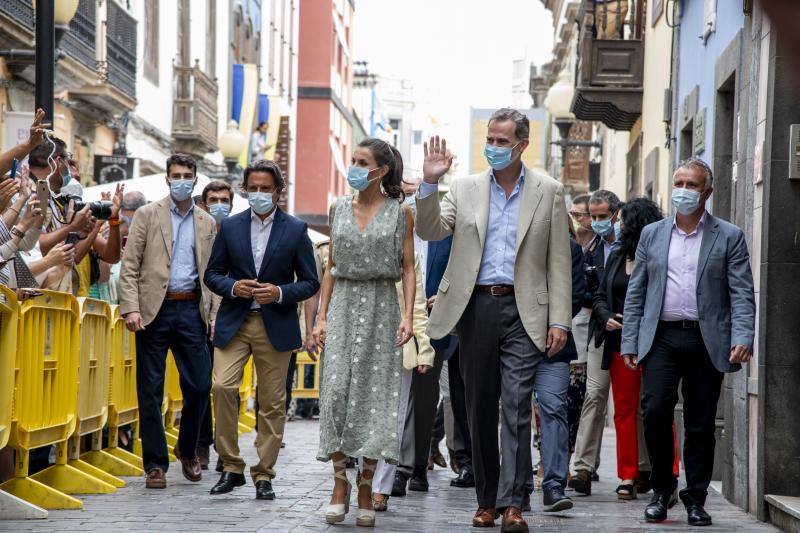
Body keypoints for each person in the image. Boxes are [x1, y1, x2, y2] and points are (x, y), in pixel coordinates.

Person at [415, 107, 573, 531]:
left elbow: (559, 261)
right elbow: (430, 230)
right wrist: (429, 182)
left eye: (503, 141)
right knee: (478, 406)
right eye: (490, 139)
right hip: (475, 308)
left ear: (522, 144)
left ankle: (514, 503)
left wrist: (560, 320)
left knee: (517, 405)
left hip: (526, 311)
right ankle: (486, 500)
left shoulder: (549, 191)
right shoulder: (463, 188)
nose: (494, 148)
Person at [621, 158, 755, 526]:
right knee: (656, 410)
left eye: (692, 184)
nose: (683, 190)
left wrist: (743, 335)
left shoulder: (728, 236)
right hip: (662, 337)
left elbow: (741, 292)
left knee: (699, 422)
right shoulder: (652, 234)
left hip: (705, 338)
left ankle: (695, 497)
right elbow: (638, 291)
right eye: (678, 181)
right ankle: (662, 490)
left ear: (707, 192)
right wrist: (630, 340)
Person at [312, 137, 415, 528]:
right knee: (336, 394)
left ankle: (365, 488)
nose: (353, 166)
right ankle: (339, 485)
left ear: (381, 170)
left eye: (361, 161)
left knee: (374, 398)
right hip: (342, 308)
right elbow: (331, 267)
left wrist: (406, 316)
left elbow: (408, 267)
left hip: (381, 308)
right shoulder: (337, 209)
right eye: (352, 160)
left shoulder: (400, 212)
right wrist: (321, 318)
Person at [203, 160, 318, 499]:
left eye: (265, 188)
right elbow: (212, 274)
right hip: (235, 321)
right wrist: (232, 286)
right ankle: (230, 466)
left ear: (278, 192)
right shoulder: (231, 227)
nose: (258, 194)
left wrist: (280, 292)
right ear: (245, 189)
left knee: (272, 401)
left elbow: (310, 282)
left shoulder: (296, 230)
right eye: (253, 188)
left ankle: (264, 474)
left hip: (276, 323)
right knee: (222, 387)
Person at [119, 154, 219, 489]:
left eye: (186, 175)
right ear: (166, 179)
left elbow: (215, 275)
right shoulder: (147, 216)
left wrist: (214, 314)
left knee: (201, 385)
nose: (181, 180)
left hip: (192, 309)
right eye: (175, 175)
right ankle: (155, 465)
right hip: (152, 311)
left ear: (195, 179)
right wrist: (130, 308)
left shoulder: (206, 222)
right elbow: (129, 265)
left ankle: (187, 448)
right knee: (150, 389)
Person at [592, 197, 677, 500]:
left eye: (623, 219)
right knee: (624, 410)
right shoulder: (617, 255)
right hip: (619, 342)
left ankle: (670, 472)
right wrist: (606, 317)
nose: (618, 224)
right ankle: (628, 475)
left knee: (660, 407)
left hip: (656, 342)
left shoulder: (664, 254)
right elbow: (600, 295)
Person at [390, 181, 444, 497]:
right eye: (402, 189)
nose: (408, 194)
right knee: (398, 399)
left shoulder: (441, 231)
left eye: (413, 189)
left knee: (423, 400)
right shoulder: (390, 229)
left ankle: (417, 466)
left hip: (435, 325)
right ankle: (397, 468)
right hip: (393, 322)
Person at [570, 189, 625, 495]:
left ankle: (640, 470)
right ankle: (582, 468)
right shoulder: (590, 251)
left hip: (631, 331)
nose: (598, 222)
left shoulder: (631, 243)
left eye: (604, 216)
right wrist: (602, 311)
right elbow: (586, 290)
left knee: (635, 404)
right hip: (599, 330)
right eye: (594, 217)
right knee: (594, 394)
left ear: (616, 214)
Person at [371, 250, 434, 512]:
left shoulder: (407, 254)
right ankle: (360, 481)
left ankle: (380, 487)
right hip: (362, 340)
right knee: (363, 417)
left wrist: (425, 346)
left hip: (400, 342)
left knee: (394, 418)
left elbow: (417, 305)